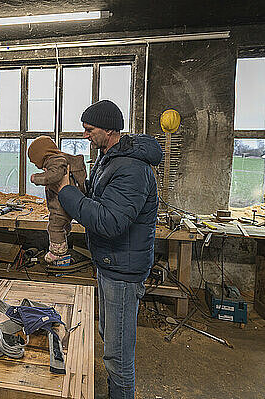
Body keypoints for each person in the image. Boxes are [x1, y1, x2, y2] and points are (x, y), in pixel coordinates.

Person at [56, 100, 163, 399]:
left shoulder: (132, 168)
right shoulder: (110, 157)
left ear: (109, 129)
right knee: (109, 336)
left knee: (117, 354)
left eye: (90, 130)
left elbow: (110, 221)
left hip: (123, 271)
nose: (86, 135)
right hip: (110, 263)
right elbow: (100, 199)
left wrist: (66, 192)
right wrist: (78, 184)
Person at [27, 136, 87, 263]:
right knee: (62, 224)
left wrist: (36, 178)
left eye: (34, 161)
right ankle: (62, 238)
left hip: (60, 204)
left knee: (54, 226)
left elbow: (54, 176)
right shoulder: (60, 160)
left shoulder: (56, 160)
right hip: (67, 202)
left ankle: (58, 252)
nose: (35, 165)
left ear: (41, 155)